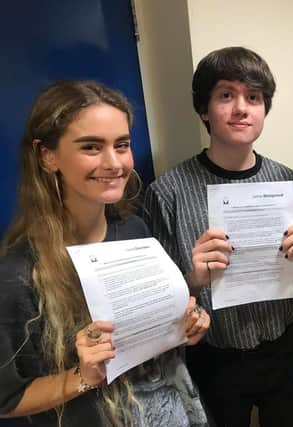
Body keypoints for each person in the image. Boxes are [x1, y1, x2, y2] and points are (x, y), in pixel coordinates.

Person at [0, 80, 210, 427]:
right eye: (91, 147)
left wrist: (185, 325)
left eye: (122, 145)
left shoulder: (134, 231)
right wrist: (82, 376)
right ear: (47, 156)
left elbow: (151, 334)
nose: (114, 163)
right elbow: (8, 399)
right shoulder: (20, 273)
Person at [143, 46, 293, 427]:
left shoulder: (289, 182)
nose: (241, 108)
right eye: (226, 95)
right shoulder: (167, 192)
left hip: (284, 344)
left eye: (253, 97)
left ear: (264, 110)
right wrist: (193, 278)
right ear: (204, 109)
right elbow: (158, 301)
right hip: (213, 355)